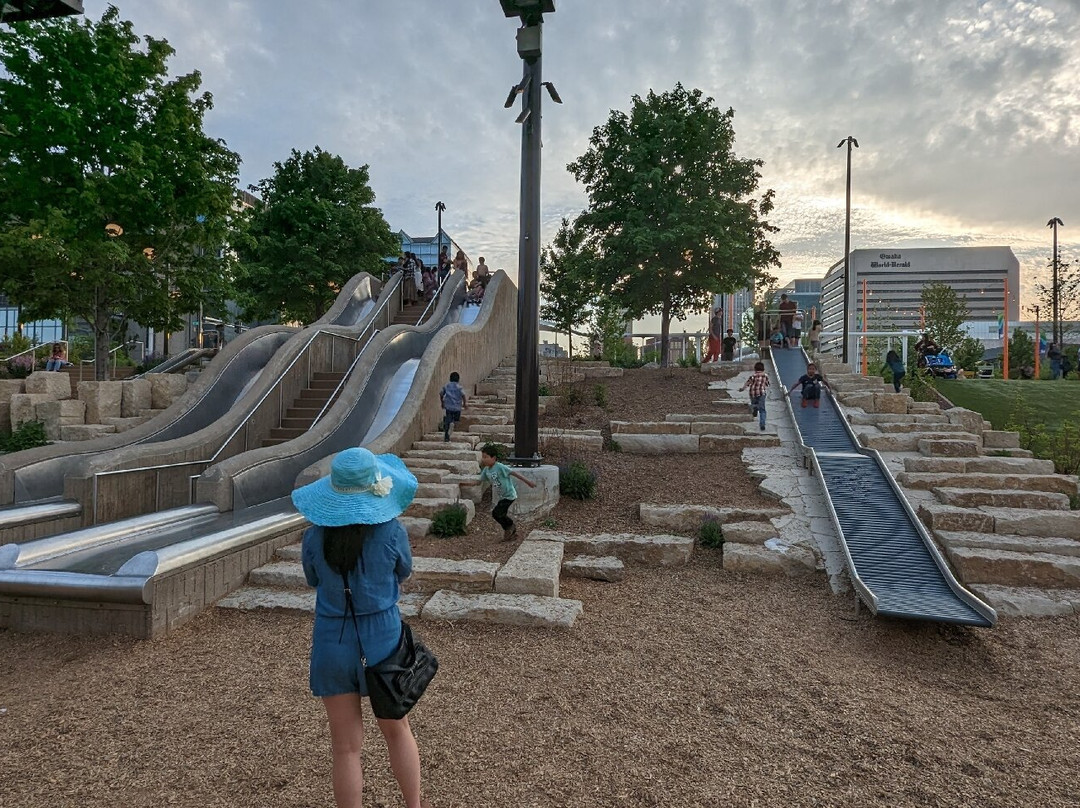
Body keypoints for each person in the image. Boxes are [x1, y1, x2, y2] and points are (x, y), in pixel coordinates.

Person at [291, 448, 428, 808]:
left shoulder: (314, 538)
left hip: (331, 640)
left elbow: (312, 579)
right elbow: (403, 571)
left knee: (345, 747)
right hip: (382, 636)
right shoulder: (390, 532)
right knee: (397, 731)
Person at [478, 443, 536, 542]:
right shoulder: (486, 470)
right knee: (498, 514)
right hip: (502, 496)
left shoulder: (500, 467)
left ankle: (510, 527)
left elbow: (514, 473)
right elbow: (479, 481)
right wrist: (465, 484)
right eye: (483, 457)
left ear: (493, 458)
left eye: (486, 457)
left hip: (509, 495)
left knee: (496, 513)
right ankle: (511, 532)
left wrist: (528, 482)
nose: (483, 459)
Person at [738, 361, 770, 431]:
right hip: (762, 393)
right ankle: (762, 424)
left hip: (753, 393)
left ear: (755, 369)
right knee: (762, 410)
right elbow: (767, 384)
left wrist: (742, 388)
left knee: (754, 403)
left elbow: (747, 383)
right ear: (763, 369)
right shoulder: (765, 376)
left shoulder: (753, 376)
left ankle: (755, 408)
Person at [439, 371, 467, 442]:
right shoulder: (459, 387)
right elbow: (463, 395)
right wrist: (464, 403)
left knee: (448, 418)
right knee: (456, 419)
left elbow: (441, 393)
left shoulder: (447, 386)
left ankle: (446, 435)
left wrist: (442, 402)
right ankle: (452, 423)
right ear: (458, 379)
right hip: (457, 407)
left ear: (450, 379)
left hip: (448, 406)